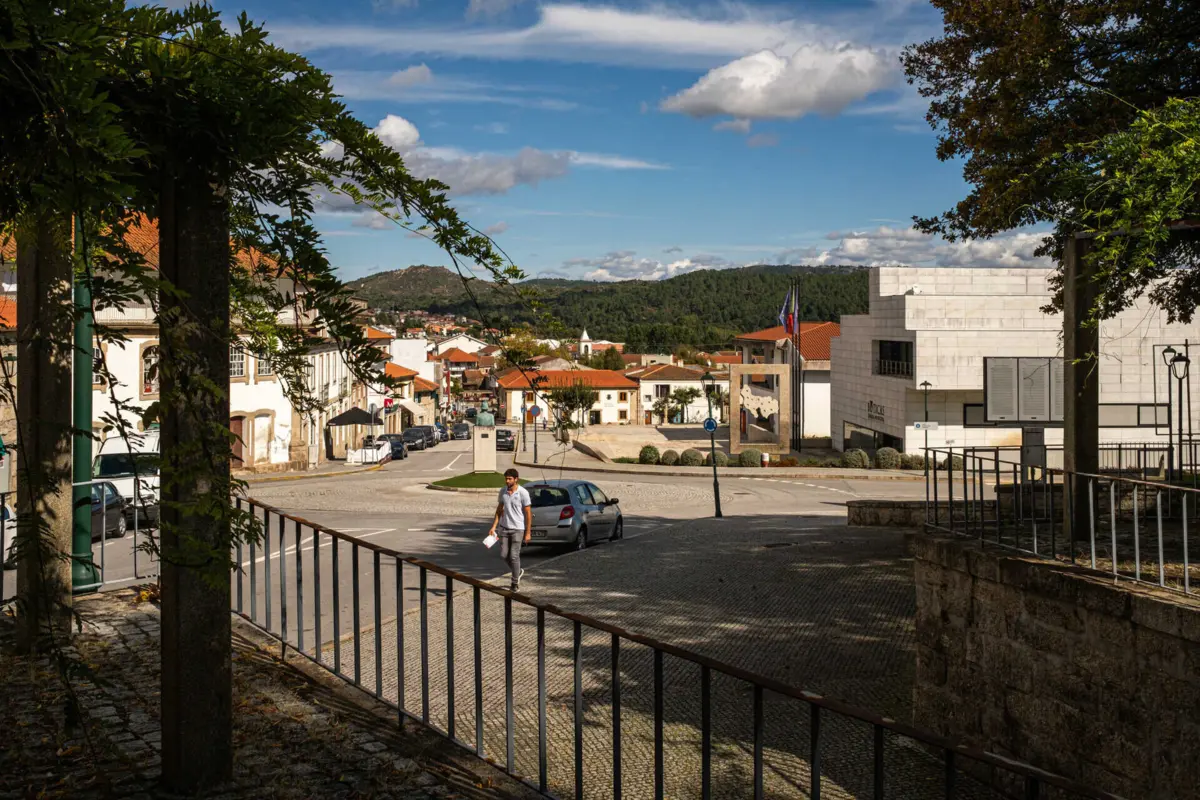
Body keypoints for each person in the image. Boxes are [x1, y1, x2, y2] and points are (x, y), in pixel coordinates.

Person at [488, 467, 531, 591]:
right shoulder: (503, 491)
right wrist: (493, 527)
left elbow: (528, 514)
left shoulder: (523, 493)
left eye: (509, 479)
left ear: (516, 479)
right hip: (504, 528)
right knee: (503, 555)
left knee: (514, 556)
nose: (507, 481)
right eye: (506, 479)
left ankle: (514, 582)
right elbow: (499, 510)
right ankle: (518, 571)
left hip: (518, 529)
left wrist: (528, 532)